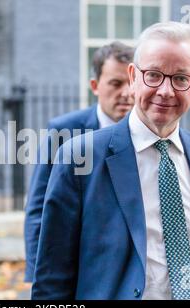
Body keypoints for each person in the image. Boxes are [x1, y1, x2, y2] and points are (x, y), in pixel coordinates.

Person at [32, 21, 190, 300]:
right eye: (153, 75)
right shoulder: (78, 156)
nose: (165, 91)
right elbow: (52, 276)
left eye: (180, 78)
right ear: (133, 76)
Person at [23, 41, 134, 282]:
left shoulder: (151, 133)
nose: (127, 93)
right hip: (78, 266)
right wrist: (37, 274)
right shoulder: (64, 130)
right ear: (95, 86)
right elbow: (38, 208)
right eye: (116, 83)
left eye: (132, 83)